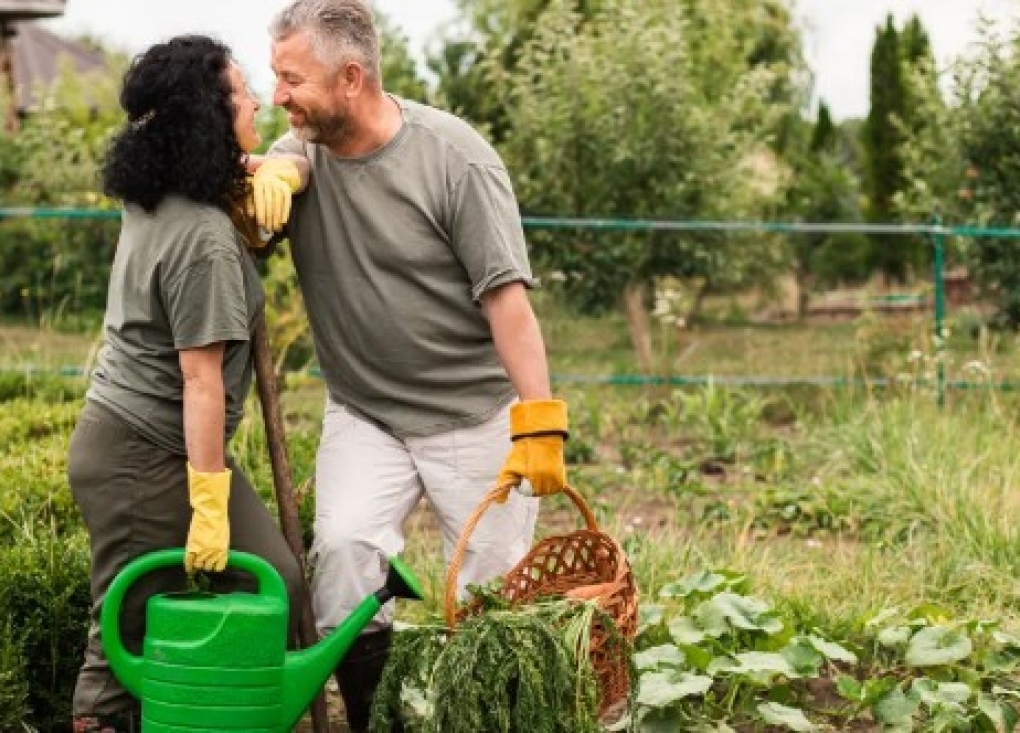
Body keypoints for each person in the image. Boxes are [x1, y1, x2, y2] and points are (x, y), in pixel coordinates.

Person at [258, 1, 571, 729]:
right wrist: (270, 171)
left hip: (474, 414)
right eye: (274, 77)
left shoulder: (453, 159)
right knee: (340, 561)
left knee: (491, 601)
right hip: (367, 411)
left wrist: (539, 421)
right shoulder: (302, 151)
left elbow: (508, 303)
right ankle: (375, 720)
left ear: (351, 79)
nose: (279, 95)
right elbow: (279, 163)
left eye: (291, 78)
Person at [68, 35, 304, 733]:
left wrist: (280, 178)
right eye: (240, 92)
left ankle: (201, 709)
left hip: (134, 440)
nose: (257, 101)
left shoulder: (160, 197)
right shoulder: (201, 235)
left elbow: (258, 192)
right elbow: (201, 380)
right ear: (207, 115)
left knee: (270, 579)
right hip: (148, 453)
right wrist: (209, 501)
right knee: (125, 620)